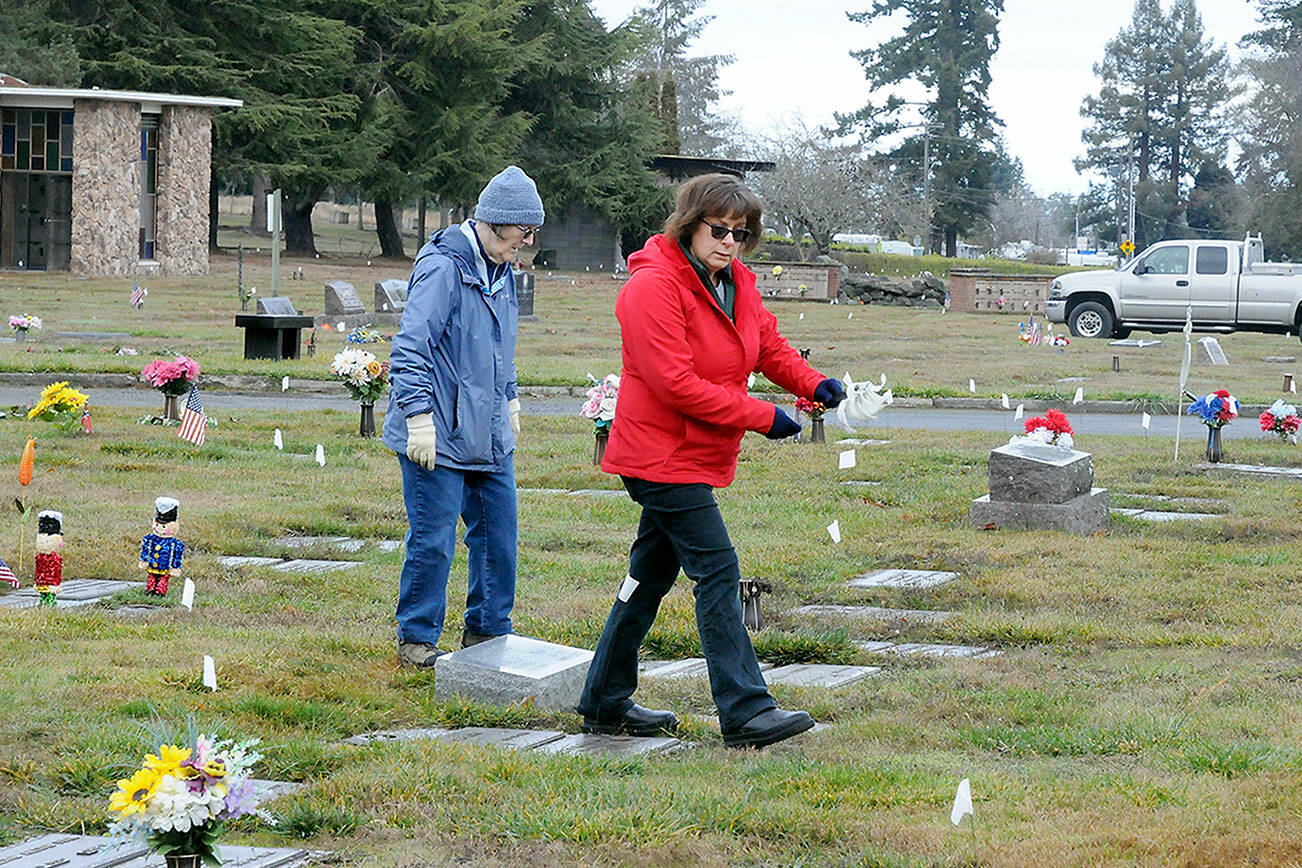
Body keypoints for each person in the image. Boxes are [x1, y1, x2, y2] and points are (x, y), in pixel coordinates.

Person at [576, 173, 846, 748]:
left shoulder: (735, 280)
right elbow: (675, 384)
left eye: (742, 234)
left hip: (693, 456)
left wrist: (813, 382)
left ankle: (603, 698)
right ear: (689, 223)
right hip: (657, 456)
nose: (730, 242)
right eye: (719, 230)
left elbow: (767, 345)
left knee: (647, 578)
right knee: (718, 569)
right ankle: (746, 710)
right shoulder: (652, 288)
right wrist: (761, 415)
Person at [381, 165, 544, 668]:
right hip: (439, 432)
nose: (528, 244)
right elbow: (410, 349)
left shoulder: (503, 272)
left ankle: (489, 633)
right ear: (496, 223)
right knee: (433, 541)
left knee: (499, 537)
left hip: (489, 433)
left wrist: (510, 397)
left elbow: (501, 348)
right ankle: (417, 637)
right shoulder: (444, 268)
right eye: (523, 234)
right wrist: (418, 417)